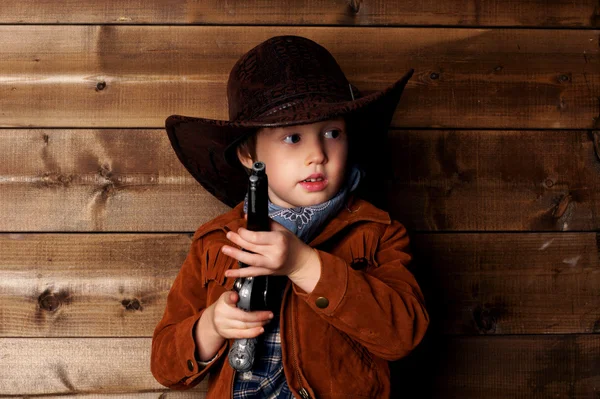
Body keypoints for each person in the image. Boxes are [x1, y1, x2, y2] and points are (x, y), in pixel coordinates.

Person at [151, 35, 429, 399]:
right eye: (293, 138)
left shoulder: (377, 233)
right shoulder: (214, 242)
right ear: (250, 157)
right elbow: (165, 366)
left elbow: (404, 334)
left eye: (332, 133)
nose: (317, 154)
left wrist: (303, 263)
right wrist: (211, 326)